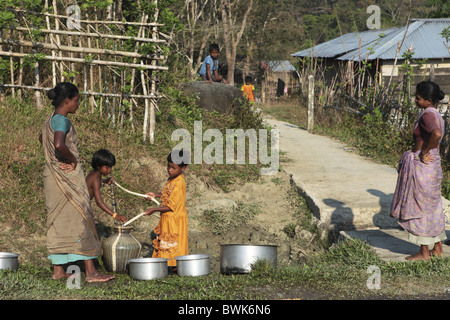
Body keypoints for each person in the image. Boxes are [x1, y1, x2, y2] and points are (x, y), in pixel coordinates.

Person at [39, 82, 114, 282]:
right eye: (76, 100)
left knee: (59, 222)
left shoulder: (50, 120)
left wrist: (55, 160)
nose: (77, 104)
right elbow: (58, 144)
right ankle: (91, 272)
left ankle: (58, 270)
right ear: (67, 101)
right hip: (67, 178)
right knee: (83, 217)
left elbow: (42, 139)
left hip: (52, 177)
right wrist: (71, 160)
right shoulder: (62, 120)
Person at [390, 81, 446, 261]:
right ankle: (437, 248)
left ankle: (423, 253)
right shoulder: (437, 114)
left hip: (424, 166)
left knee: (419, 207)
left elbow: (436, 134)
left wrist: (423, 152)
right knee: (433, 206)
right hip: (434, 165)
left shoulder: (427, 116)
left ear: (428, 100)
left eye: (418, 98)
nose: (415, 100)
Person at [144, 150, 189, 269]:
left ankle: (174, 266)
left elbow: (170, 206)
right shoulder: (172, 179)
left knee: (173, 245)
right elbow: (167, 194)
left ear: (182, 168)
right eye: (168, 166)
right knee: (167, 243)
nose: (169, 170)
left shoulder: (179, 184)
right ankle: (168, 266)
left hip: (174, 221)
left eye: (173, 168)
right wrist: (155, 195)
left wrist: (153, 209)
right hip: (167, 219)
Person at [86, 149, 127, 223]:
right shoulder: (95, 178)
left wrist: (104, 181)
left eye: (110, 167)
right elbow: (99, 202)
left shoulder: (95, 174)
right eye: (107, 167)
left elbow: (94, 186)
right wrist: (115, 215)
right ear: (98, 166)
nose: (109, 170)